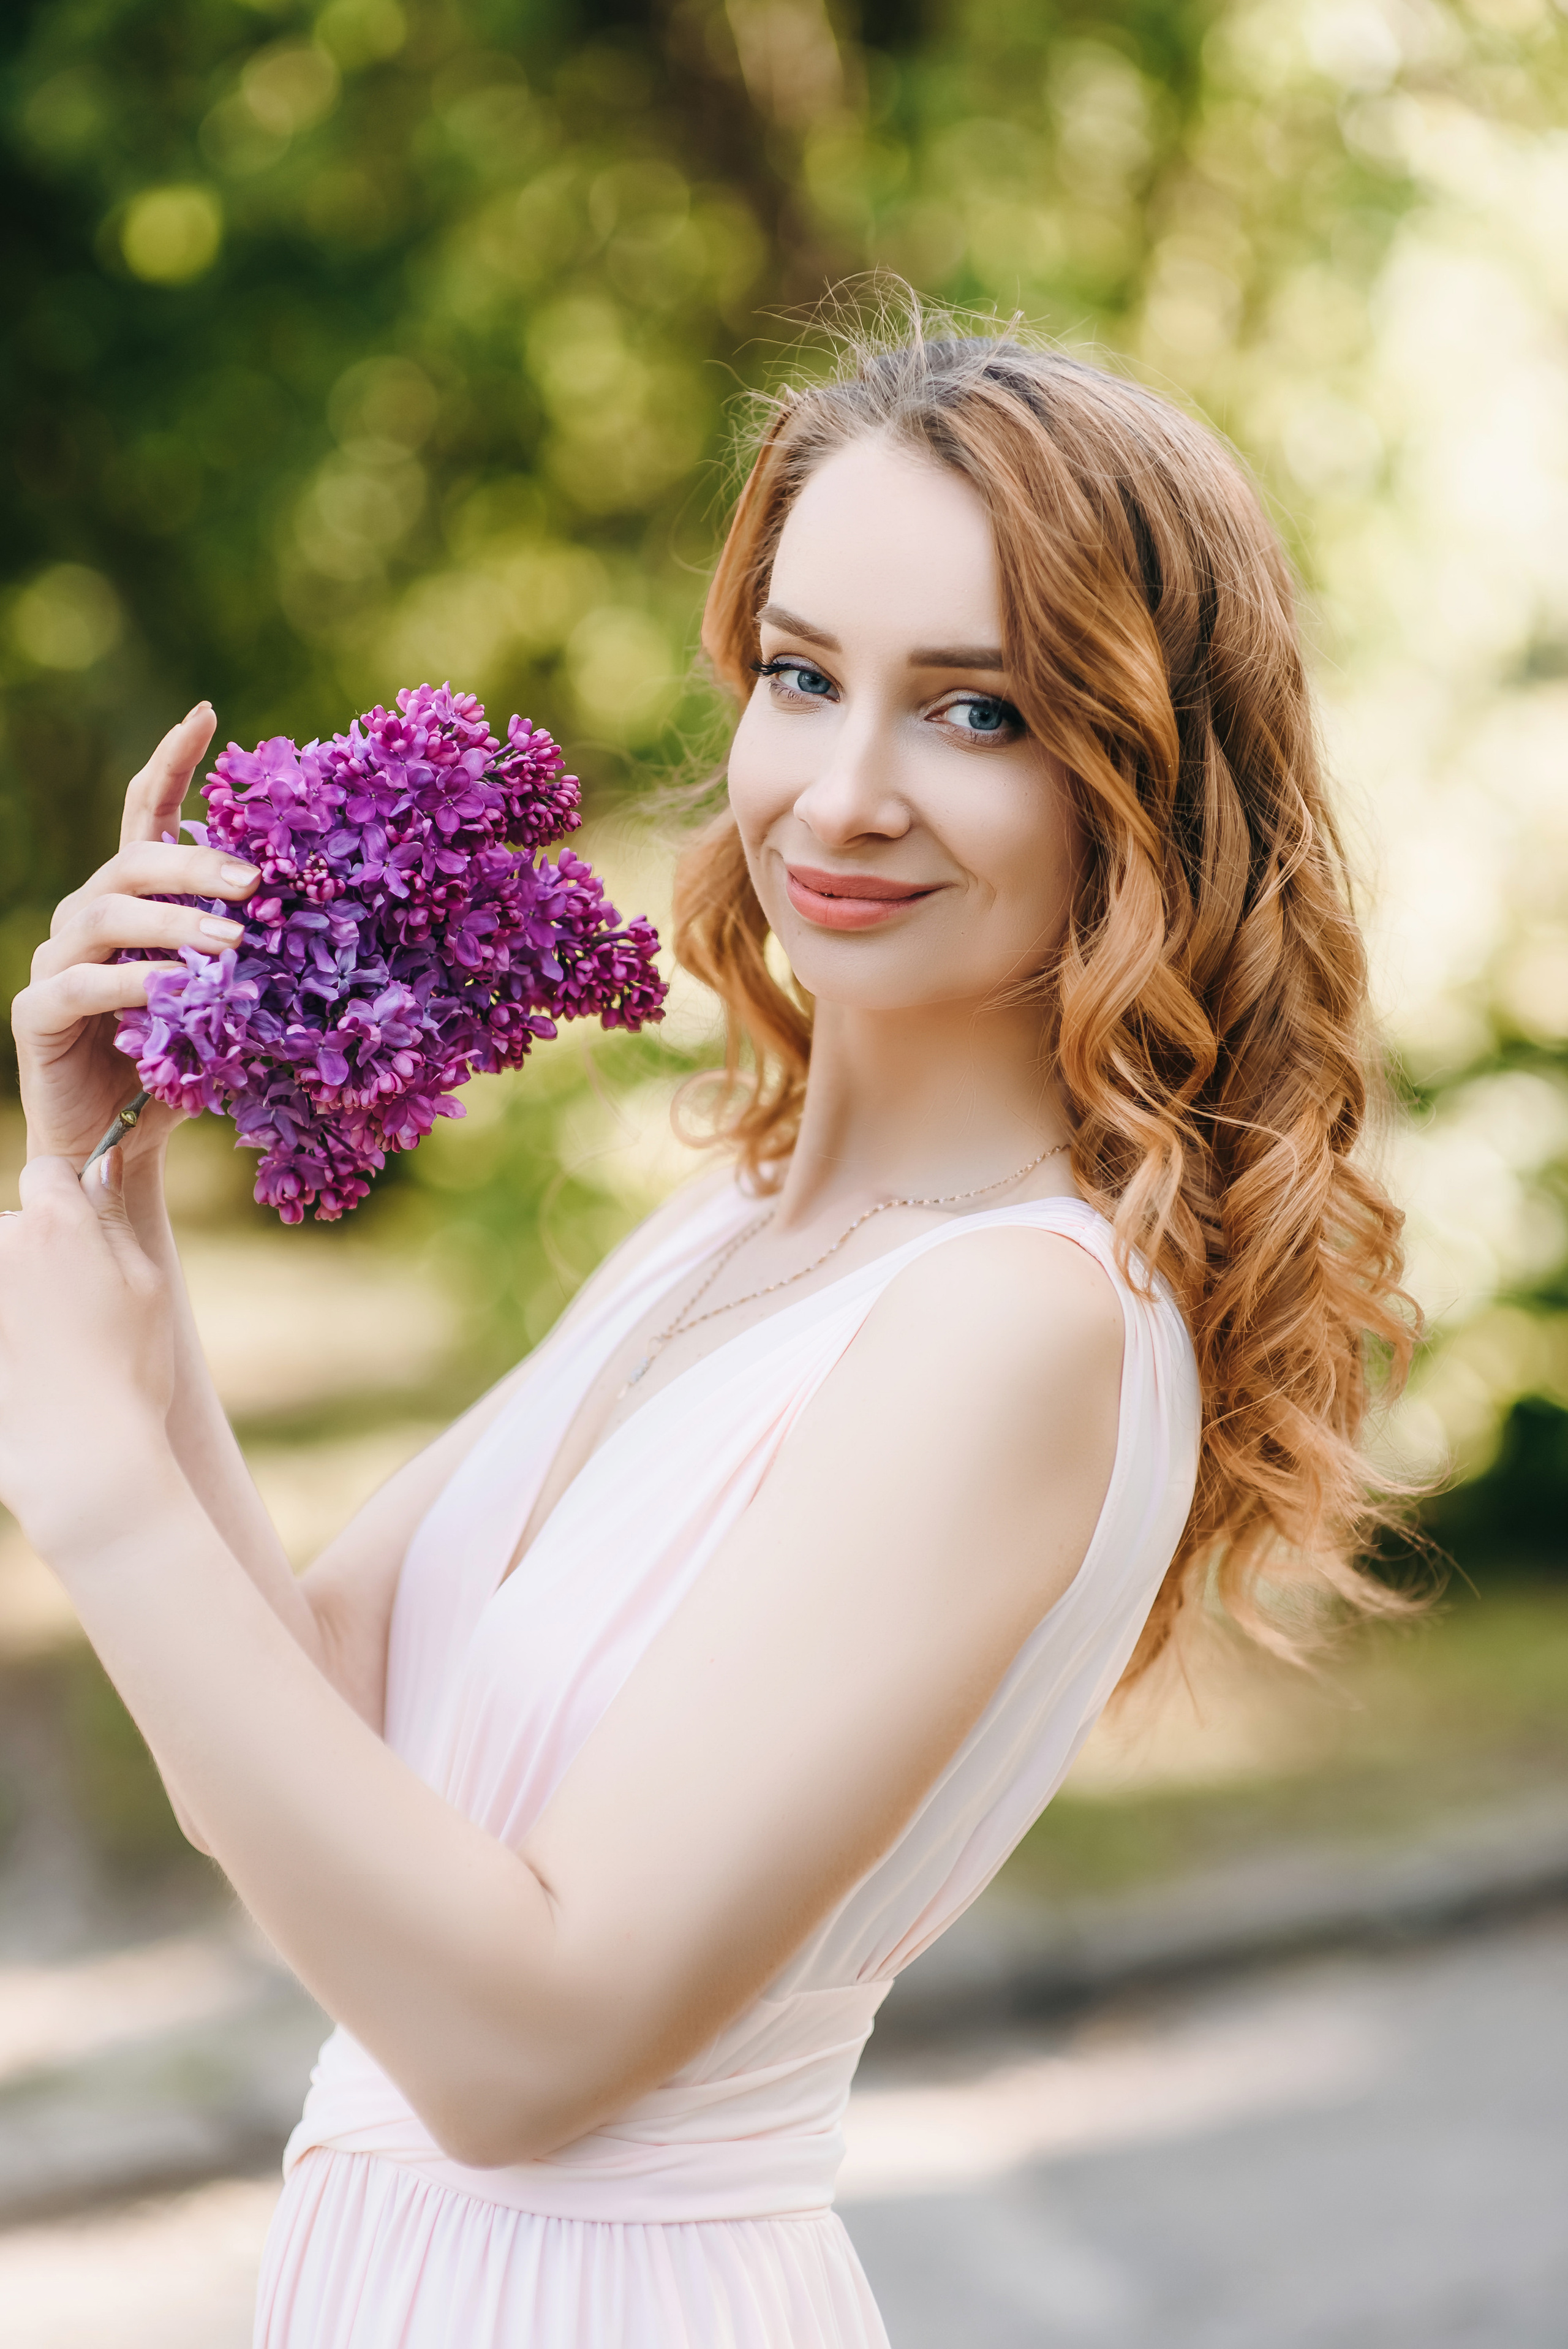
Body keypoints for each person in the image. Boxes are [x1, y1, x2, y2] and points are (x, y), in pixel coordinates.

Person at [0, 322, 1411, 2348]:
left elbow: (517, 2052)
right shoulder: (737, 1229)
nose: (843, 795)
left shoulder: (1022, 1321)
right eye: (802, 675)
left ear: (1143, 779)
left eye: (979, 712)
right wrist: (112, 1213)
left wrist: (101, 1487)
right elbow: (303, 1727)